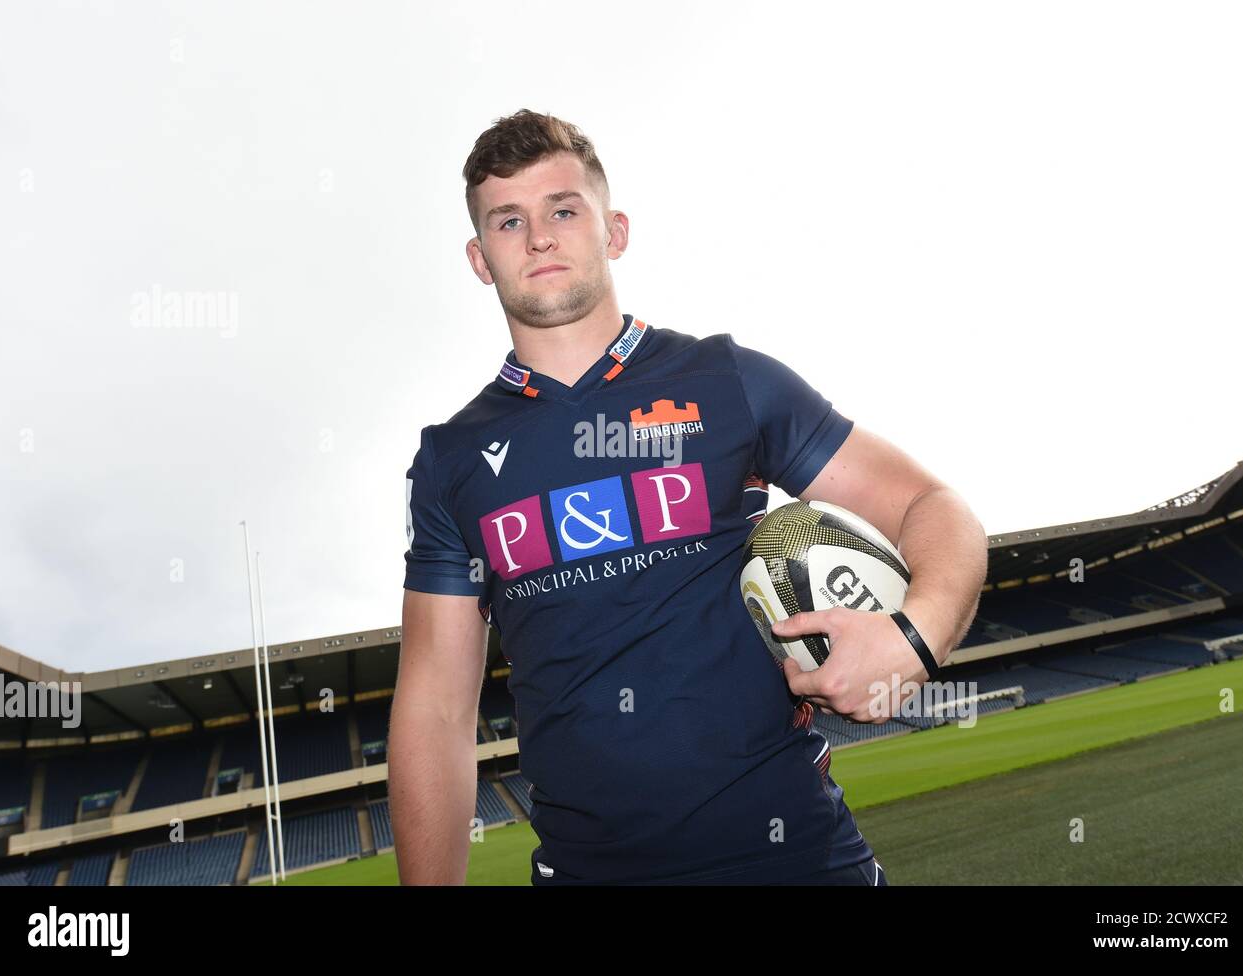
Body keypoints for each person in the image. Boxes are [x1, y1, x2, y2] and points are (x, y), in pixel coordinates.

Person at [388, 109, 987, 885]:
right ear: (479, 257)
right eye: (510, 221)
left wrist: (916, 636)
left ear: (615, 231)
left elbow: (932, 507)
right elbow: (435, 710)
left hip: (798, 862)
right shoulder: (451, 459)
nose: (539, 238)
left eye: (563, 210)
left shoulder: (728, 381)